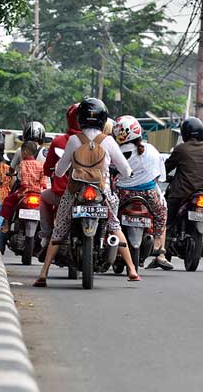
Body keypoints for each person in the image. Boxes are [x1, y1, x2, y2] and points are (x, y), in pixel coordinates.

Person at [34, 98, 141, 286]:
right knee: (114, 224)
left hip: (75, 190)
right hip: (103, 190)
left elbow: (59, 170)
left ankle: (43, 273)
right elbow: (124, 169)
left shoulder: (74, 140)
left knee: (60, 228)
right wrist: (128, 174)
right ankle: (131, 269)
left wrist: (60, 171)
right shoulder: (107, 141)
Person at [164, 117, 203, 272]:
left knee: (167, 220)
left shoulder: (180, 149)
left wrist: (163, 176)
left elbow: (166, 168)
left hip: (181, 194)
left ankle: (162, 253)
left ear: (184, 133)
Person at [113, 115, 172, 270]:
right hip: (148, 193)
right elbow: (159, 176)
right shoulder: (150, 149)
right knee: (162, 212)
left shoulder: (115, 150)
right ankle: (159, 243)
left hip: (122, 194)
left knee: (110, 216)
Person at [39, 103, 80, 250]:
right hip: (92, 195)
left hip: (62, 194)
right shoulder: (99, 141)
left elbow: (48, 169)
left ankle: (46, 234)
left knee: (43, 197)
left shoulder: (60, 141)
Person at [0, 141, 48, 253]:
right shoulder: (40, 164)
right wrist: (42, 187)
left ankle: (6, 224)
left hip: (25, 191)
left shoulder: (23, 164)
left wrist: (24, 188)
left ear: (24, 152)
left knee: (7, 201)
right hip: (38, 192)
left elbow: (24, 177)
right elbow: (43, 177)